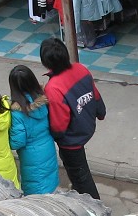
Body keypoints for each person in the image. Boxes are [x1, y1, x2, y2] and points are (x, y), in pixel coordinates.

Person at [39, 36, 105, 199]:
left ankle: (96, 210)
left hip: (72, 141)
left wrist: (57, 138)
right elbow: (95, 95)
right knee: (79, 174)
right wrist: (101, 113)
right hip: (87, 125)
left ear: (46, 62)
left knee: (81, 178)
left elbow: (59, 124)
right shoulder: (81, 69)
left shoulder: (53, 88)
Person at [8, 64, 59, 195]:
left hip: (31, 158)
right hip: (48, 149)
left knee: (36, 195)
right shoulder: (42, 100)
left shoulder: (17, 112)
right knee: (49, 184)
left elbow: (17, 142)